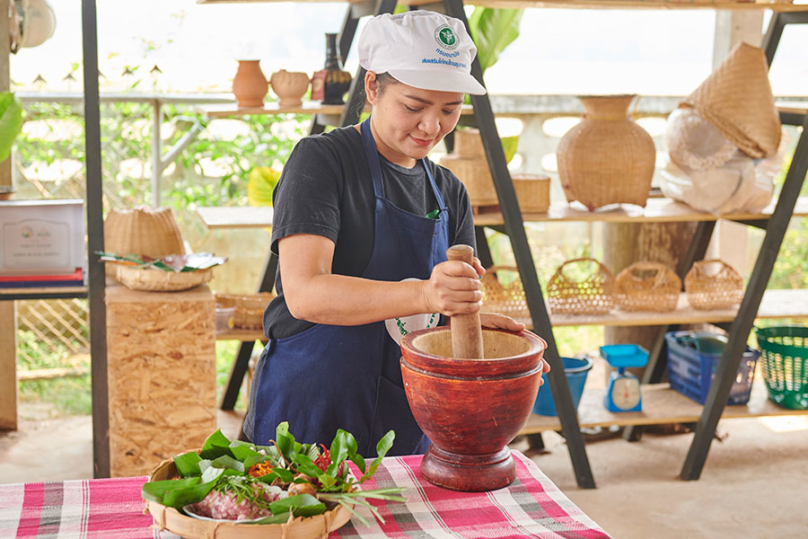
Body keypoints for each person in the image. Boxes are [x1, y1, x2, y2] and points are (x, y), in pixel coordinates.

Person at [243, 10, 548, 456]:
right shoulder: (322, 162)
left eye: (450, 109)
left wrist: (465, 320)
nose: (432, 127)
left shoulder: (450, 191)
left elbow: (431, 314)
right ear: (372, 88)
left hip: (405, 419)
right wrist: (427, 295)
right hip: (311, 411)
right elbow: (306, 293)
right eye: (413, 106)